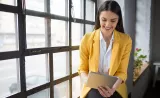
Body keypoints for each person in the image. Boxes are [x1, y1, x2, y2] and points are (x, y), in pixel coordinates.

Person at [78, 0, 132, 98]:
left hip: (116, 86)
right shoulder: (86, 39)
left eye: (113, 21)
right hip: (93, 86)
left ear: (118, 20)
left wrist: (112, 89)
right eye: (104, 20)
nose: (107, 25)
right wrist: (91, 82)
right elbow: (83, 69)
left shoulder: (126, 40)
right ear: (98, 18)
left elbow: (122, 72)